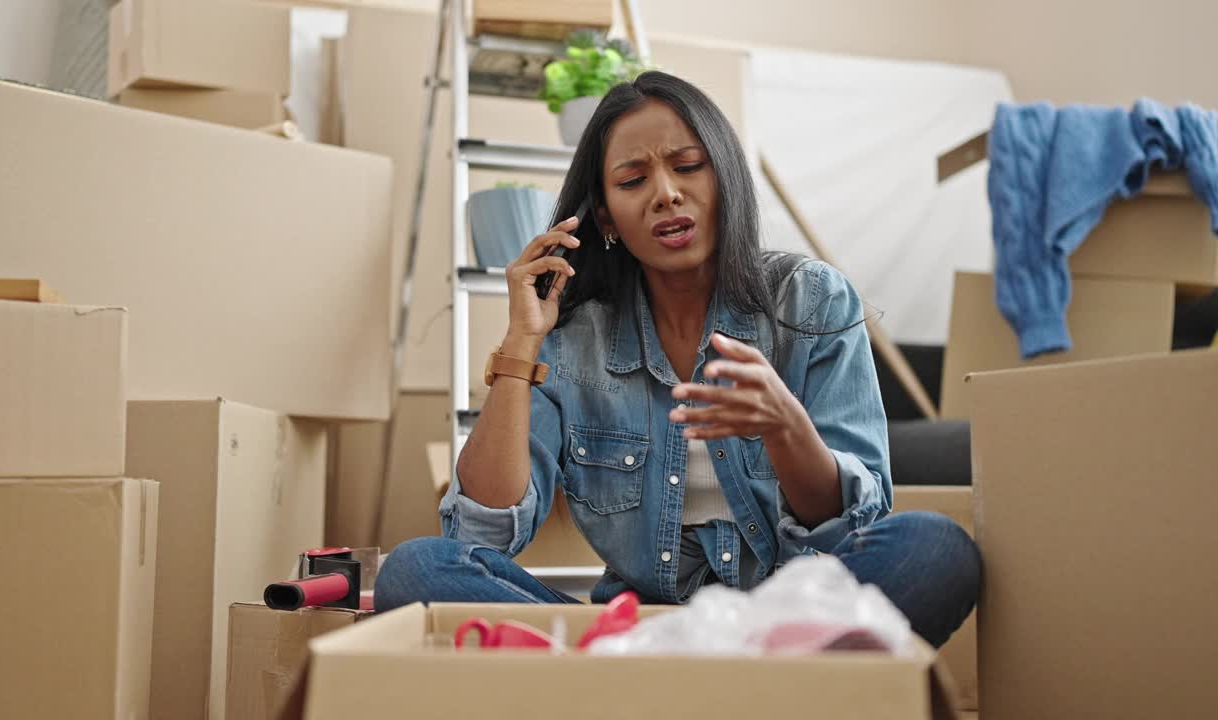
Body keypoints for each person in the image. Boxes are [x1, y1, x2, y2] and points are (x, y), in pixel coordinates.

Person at [375, 71, 978, 648]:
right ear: (606, 218)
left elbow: (852, 529)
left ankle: (660, 689)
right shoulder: (572, 338)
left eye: (688, 166)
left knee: (933, 547)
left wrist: (784, 427)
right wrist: (521, 344)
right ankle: (720, 688)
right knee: (416, 570)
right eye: (633, 180)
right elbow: (481, 533)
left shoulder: (812, 301)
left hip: (788, 623)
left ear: (724, 180)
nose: (666, 194)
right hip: (641, 630)